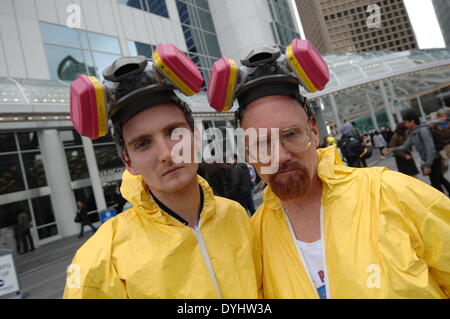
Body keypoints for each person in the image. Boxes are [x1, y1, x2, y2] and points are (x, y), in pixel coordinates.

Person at [207, 39, 450, 298]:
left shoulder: (393, 194)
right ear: (248, 152)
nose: (279, 155)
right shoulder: (253, 241)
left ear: (313, 130)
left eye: (290, 134)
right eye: (262, 142)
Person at [64, 45, 261, 298]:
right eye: (143, 143)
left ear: (196, 138)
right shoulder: (100, 259)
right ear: (129, 161)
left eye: (174, 133)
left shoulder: (236, 217)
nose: (166, 153)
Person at [384, 111, 450, 196]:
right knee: (440, 179)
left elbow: (431, 149)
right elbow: (406, 145)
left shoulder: (423, 131)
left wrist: (428, 165)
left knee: (435, 184)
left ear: (412, 121)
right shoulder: (413, 132)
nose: (405, 124)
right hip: (429, 160)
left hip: (434, 159)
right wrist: (392, 149)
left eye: (406, 122)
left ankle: (443, 204)